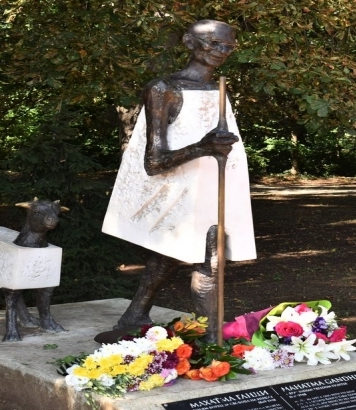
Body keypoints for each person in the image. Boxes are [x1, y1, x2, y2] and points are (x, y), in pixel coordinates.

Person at [101, 20, 257, 341]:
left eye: (228, 47)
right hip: (179, 190)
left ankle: (140, 316)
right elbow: (155, 161)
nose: (221, 52)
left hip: (213, 190)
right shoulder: (163, 89)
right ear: (189, 43)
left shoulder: (218, 89)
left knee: (195, 254)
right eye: (213, 43)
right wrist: (204, 146)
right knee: (198, 256)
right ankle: (212, 339)